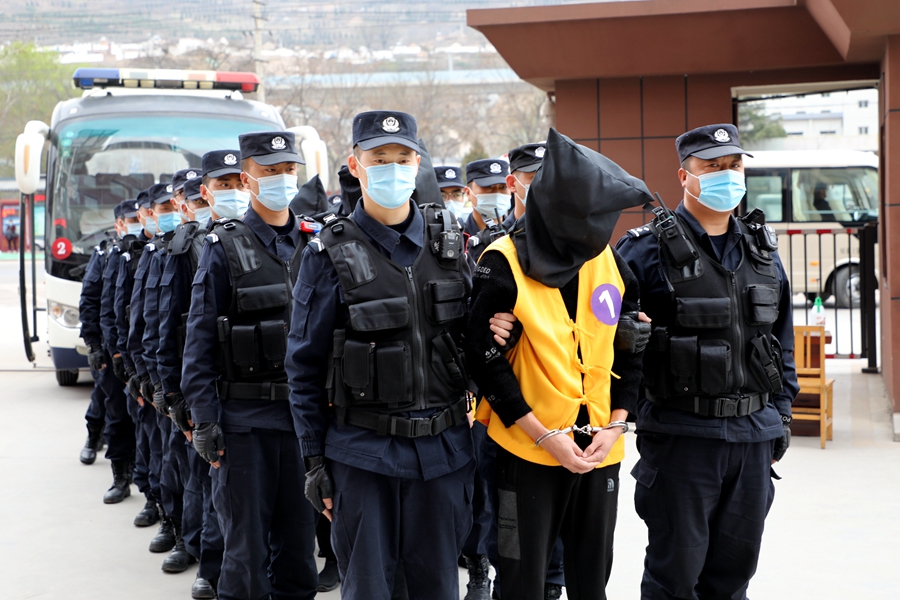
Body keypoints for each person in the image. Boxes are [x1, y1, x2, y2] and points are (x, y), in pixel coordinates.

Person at [287, 110, 478, 600]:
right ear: (355, 165)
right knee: (369, 589)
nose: (392, 168)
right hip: (363, 457)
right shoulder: (327, 253)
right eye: (379, 158)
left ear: (418, 164)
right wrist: (314, 460)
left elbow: (475, 338)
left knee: (438, 589)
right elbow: (303, 368)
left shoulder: (449, 244)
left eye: (403, 158)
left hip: (443, 456)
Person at [615, 123, 799, 600]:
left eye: (734, 165)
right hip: (682, 439)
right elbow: (604, 338)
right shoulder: (643, 249)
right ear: (685, 175)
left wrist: (781, 414)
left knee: (734, 577)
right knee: (674, 578)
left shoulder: (762, 249)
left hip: (753, 437)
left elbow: (781, 339)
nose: (727, 175)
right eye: (712, 167)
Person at [466, 129, 649, 600]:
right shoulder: (502, 260)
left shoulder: (608, 260)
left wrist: (618, 424)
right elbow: (483, 359)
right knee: (521, 579)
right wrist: (541, 434)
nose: (595, 228)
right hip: (525, 450)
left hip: (599, 447)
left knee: (592, 579)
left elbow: (631, 347)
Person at [181, 131, 318, 600]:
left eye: (288, 170)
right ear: (247, 179)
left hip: (302, 425)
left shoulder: (316, 244)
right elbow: (199, 341)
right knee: (245, 554)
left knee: (299, 553)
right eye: (269, 171)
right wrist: (204, 419)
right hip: (244, 427)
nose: (282, 179)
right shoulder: (223, 245)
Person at [157, 152, 240, 599]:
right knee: (203, 479)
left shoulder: (268, 239)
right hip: (204, 385)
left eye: (237, 183)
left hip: (251, 386)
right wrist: (173, 392)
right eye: (219, 188)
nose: (231, 195)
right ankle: (203, 558)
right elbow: (172, 324)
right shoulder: (185, 246)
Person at [464, 159, 512, 261]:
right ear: (468, 193)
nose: (497, 194)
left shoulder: (517, 233)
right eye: (488, 187)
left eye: (503, 187)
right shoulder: (460, 239)